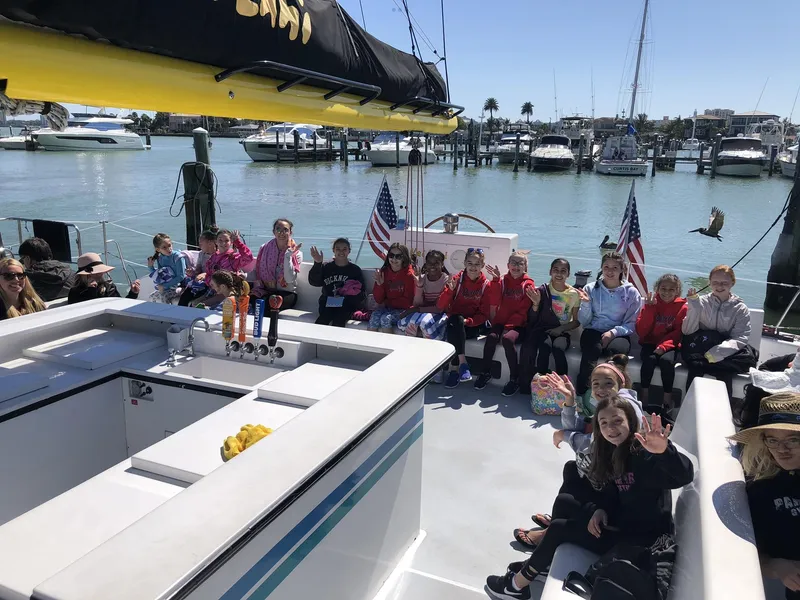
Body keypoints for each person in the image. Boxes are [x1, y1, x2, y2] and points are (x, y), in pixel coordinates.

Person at [486, 398, 693, 600]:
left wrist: (665, 452)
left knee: (558, 527)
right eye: (604, 424)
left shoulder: (644, 452)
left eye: (617, 421)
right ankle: (542, 561)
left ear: (631, 420)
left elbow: (684, 475)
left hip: (642, 542)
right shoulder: (613, 451)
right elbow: (614, 493)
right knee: (566, 502)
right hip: (622, 526)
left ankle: (515, 586)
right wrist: (601, 510)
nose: (611, 428)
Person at [514, 358, 642, 549]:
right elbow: (582, 427)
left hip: (617, 489)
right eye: (596, 384)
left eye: (609, 383)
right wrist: (569, 401)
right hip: (606, 474)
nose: (601, 389)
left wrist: (564, 436)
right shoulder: (608, 405)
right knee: (572, 469)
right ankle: (559, 519)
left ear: (621, 384)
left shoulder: (625, 406)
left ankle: (549, 534)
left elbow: (593, 444)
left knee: (566, 497)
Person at [729, 393, 800, 600]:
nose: (782, 449)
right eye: (773, 440)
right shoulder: (761, 489)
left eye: (792, 440)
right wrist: (777, 566)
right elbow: (750, 552)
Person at [575, 252, 642, 400]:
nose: (610, 271)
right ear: (601, 268)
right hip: (593, 330)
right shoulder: (590, 289)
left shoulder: (632, 293)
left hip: (619, 333)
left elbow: (630, 324)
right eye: (606, 267)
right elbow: (584, 322)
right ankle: (582, 394)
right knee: (592, 351)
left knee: (617, 355)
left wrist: (613, 332)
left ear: (622, 270)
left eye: (615, 267)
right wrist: (585, 304)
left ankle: (616, 397)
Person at [681, 265, 752, 399]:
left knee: (725, 373)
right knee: (695, 368)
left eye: (724, 283)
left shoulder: (740, 309)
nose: (719, 286)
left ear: (732, 283)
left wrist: (717, 353)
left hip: (725, 353)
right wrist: (694, 307)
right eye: (715, 282)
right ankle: (688, 406)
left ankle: (725, 412)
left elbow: (741, 337)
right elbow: (687, 331)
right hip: (701, 350)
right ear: (709, 283)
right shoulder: (701, 302)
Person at [475, 252, 535, 396]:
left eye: (520, 263)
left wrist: (508, 328)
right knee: (491, 338)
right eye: (513, 262)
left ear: (525, 267)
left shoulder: (529, 284)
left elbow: (523, 311)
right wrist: (495, 280)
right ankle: (485, 372)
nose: (516, 266)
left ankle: (514, 379)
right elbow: (494, 300)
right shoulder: (502, 281)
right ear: (508, 265)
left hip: (518, 325)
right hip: (501, 322)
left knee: (507, 340)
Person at [518, 258, 580, 394]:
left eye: (563, 271)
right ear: (550, 272)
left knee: (558, 349)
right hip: (545, 330)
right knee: (544, 348)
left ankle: (564, 387)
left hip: (563, 332)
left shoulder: (574, 294)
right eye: (556, 270)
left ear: (568, 274)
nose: (559, 274)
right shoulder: (542, 291)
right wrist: (535, 303)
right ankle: (542, 387)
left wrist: (560, 329)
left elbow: (576, 322)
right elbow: (533, 318)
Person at [435, 248, 495, 388]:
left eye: (477, 264)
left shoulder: (486, 285)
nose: (473, 267)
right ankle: (462, 364)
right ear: (464, 263)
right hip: (455, 321)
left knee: (454, 328)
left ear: (482, 265)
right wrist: (449, 291)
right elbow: (440, 305)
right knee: (455, 322)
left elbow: (484, 314)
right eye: (470, 263)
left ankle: (455, 370)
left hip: (473, 325)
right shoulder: (456, 280)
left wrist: (469, 321)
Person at [636, 273, 687, 409]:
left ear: (678, 291)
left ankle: (667, 399)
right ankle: (644, 395)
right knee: (650, 360)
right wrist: (650, 308)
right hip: (650, 342)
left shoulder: (683, 307)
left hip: (670, 345)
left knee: (666, 362)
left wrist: (664, 347)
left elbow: (678, 332)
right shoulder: (651, 303)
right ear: (657, 288)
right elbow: (642, 331)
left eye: (672, 289)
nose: (667, 293)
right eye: (663, 288)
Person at [189, 229, 253, 308]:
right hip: (213, 290)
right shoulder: (213, 258)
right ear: (216, 241)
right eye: (220, 240)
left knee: (201, 306)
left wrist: (238, 242)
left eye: (226, 240)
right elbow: (208, 274)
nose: (223, 243)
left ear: (231, 242)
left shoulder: (234, 258)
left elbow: (248, 258)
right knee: (194, 304)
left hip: (227, 292)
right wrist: (212, 284)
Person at [308, 238, 365, 327]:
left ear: (349, 251)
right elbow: (314, 282)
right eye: (338, 249)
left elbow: (361, 292)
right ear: (333, 250)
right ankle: (315, 340)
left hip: (346, 305)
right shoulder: (326, 267)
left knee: (339, 319)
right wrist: (317, 263)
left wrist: (348, 299)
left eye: (344, 249)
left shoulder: (355, 270)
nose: (341, 252)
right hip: (327, 303)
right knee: (323, 319)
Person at [397, 250, 450, 340]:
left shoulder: (446, 281)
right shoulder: (422, 278)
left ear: (442, 264)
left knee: (424, 323)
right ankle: (411, 347)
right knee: (412, 322)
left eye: (436, 263)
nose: (432, 266)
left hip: (441, 314)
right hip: (424, 312)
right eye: (429, 263)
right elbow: (417, 303)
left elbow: (439, 308)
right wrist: (419, 286)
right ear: (426, 264)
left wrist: (413, 310)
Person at [252, 218, 303, 311]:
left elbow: (289, 279)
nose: (282, 232)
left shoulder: (297, 254)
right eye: (278, 229)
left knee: (268, 305)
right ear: (274, 232)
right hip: (266, 290)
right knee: (252, 300)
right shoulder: (264, 248)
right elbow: (257, 270)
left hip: (287, 293)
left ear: (290, 232)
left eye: (285, 230)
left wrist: (288, 257)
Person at [369, 243, 415, 333]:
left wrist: (387, 302)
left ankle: (388, 346)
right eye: (391, 255)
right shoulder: (383, 273)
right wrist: (380, 285)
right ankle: (369, 345)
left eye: (398, 256)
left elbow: (408, 302)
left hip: (405, 310)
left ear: (404, 258)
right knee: (374, 316)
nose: (394, 259)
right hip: (388, 308)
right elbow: (378, 300)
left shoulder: (410, 275)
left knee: (385, 319)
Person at [17, 237, 77, 301]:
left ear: (28, 259)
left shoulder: (26, 281)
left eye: (22, 258)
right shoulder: (73, 274)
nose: (22, 262)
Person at [68, 252, 140, 305]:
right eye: (96, 273)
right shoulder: (75, 292)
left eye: (100, 271)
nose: (100, 274)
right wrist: (91, 291)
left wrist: (133, 293)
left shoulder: (108, 287)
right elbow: (82, 311)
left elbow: (120, 305)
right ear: (84, 275)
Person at [178, 229, 218, 306]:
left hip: (209, 284)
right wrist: (192, 272)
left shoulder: (218, 256)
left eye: (201, 244)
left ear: (210, 243)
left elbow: (219, 272)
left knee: (193, 302)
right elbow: (198, 270)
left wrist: (205, 274)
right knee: (184, 297)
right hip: (199, 282)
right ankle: (180, 315)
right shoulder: (201, 254)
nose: (199, 246)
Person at [147, 233, 186, 304]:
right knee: (151, 297)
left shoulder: (178, 257)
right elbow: (159, 276)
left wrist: (164, 286)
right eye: (164, 247)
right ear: (158, 249)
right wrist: (150, 267)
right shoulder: (160, 258)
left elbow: (181, 277)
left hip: (181, 286)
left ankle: (167, 314)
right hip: (168, 288)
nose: (168, 249)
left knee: (163, 297)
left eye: (169, 245)